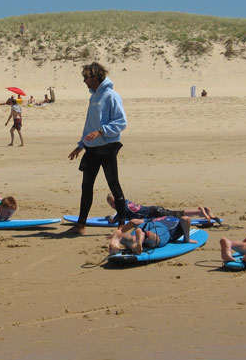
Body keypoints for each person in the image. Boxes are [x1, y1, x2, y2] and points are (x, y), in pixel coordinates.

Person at [65, 62, 128, 235]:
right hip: (92, 148)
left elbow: (121, 122)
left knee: (113, 184)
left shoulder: (111, 96)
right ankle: (81, 225)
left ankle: (122, 224)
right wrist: (80, 145)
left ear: (96, 76)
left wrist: (101, 131)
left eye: (86, 77)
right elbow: (89, 126)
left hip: (108, 146)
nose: (84, 81)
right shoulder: (93, 98)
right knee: (86, 186)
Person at [108, 215, 196, 255]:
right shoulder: (175, 221)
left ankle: (119, 236)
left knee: (133, 238)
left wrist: (122, 229)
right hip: (162, 229)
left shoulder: (159, 217)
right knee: (156, 240)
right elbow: (185, 218)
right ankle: (144, 235)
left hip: (147, 224)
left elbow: (133, 222)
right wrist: (187, 238)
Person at [104, 193, 218, 224]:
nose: (113, 206)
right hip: (154, 210)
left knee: (176, 215)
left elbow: (114, 220)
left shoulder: (121, 209)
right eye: (111, 205)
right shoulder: (125, 201)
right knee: (176, 213)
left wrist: (109, 217)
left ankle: (200, 211)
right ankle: (200, 212)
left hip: (154, 213)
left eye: (113, 203)